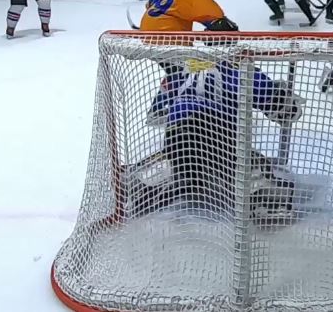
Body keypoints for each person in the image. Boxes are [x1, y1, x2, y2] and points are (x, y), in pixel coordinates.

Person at [130, 17, 304, 223]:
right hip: (215, 136)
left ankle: (147, 192)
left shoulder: (185, 67)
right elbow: (281, 109)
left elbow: (160, 106)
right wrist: (288, 102)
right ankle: (264, 201)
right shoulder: (240, 69)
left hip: (175, 137)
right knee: (256, 166)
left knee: (187, 177)